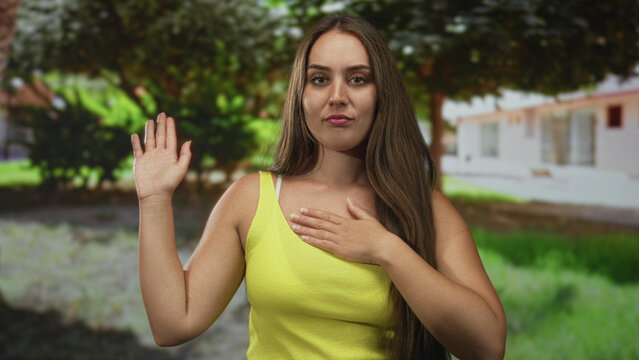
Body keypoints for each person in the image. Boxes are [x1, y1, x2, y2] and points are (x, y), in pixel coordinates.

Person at [130, 14, 506, 360]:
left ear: (382, 95)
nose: (337, 96)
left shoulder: (427, 209)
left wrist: (386, 248)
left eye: (358, 78)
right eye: (320, 79)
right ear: (301, 95)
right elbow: (173, 324)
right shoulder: (251, 199)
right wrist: (154, 199)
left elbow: (487, 346)